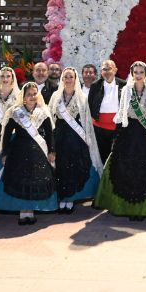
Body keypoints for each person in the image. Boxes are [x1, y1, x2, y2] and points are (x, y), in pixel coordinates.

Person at [94, 61, 146, 220]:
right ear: (132, 74)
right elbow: (121, 114)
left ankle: (143, 209)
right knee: (125, 170)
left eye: (141, 73)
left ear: (145, 75)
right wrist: (116, 137)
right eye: (135, 72)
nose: (138, 75)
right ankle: (129, 208)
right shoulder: (126, 91)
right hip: (129, 133)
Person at [0, 82, 58, 224]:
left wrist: (51, 150)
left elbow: (50, 134)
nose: (32, 97)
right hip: (19, 151)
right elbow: (7, 134)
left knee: (34, 181)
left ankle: (31, 211)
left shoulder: (43, 112)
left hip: (38, 152)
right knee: (21, 181)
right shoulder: (15, 112)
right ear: (23, 97)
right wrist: (5, 153)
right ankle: (22, 212)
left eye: (34, 94)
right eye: (29, 94)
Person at [47, 68, 103, 213]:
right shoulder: (55, 96)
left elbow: (86, 121)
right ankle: (61, 197)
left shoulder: (82, 97)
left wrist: (87, 139)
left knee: (73, 167)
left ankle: (70, 199)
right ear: (62, 79)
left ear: (75, 79)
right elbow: (50, 119)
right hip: (59, 137)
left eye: (71, 77)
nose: (68, 79)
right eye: (66, 77)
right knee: (60, 167)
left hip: (76, 139)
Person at [88, 59, 126, 163]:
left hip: (118, 129)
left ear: (115, 70)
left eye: (109, 69)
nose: (107, 72)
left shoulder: (124, 85)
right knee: (102, 158)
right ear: (101, 72)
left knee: (117, 158)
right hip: (99, 130)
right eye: (104, 69)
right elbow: (90, 105)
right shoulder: (95, 86)